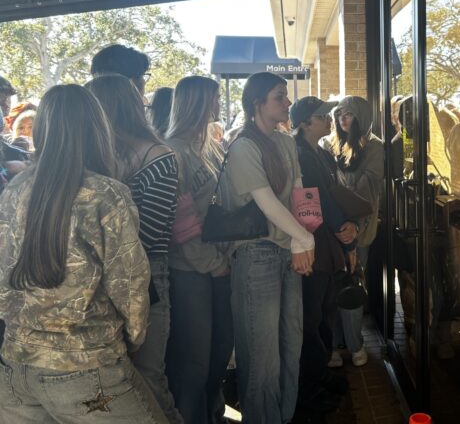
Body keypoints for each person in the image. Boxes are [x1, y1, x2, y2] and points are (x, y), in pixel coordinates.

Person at [0, 84, 165, 423]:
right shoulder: (106, 195)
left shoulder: (16, 189)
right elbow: (131, 286)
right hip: (86, 367)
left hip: (16, 366)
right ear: (97, 130)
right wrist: (131, 339)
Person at [86, 75, 183, 424]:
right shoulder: (101, 156)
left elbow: (151, 232)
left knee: (148, 379)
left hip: (147, 277)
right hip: (100, 280)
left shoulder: (158, 157)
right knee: (114, 382)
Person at [219, 72, 315, 424]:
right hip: (256, 253)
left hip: (289, 248)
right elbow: (266, 203)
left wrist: (307, 234)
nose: (287, 102)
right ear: (257, 101)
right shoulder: (243, 146)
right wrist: (304, 239)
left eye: (286, 96)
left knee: (292, 343)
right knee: (261, 355)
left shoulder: (287, 142)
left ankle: (284, 416)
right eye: (279, 96)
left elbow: (299, 192)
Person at [164, 76, 232, 424]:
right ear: (197, 103)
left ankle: (214, 414)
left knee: (219, 352)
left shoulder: (209, 147)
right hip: (190, 271)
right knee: (194, 362)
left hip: (217, 265)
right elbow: (180, 222)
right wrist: (212, 263)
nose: (218, 105)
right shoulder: (172, 151)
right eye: (214, 99)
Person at [290, 97, 357, 413]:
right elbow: (315, 201)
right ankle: (311, 387)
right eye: (321, 116)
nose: (329, 120)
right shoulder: (300, 154)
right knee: (312, 317)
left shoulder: (319, 151)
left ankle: (320, 376)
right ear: (304, 122)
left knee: (325, 308)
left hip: (326, 243)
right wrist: (344, 232)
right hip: (313, 245)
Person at [324, 96, 384, 368]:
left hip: (360, 226)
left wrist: (352, 219)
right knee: (332, 286)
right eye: (340, 114)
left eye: (349, 114)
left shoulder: (374, 147)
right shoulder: (330, 145)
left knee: (353, 283)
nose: (343, 119)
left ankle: (355, 344)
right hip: (332, 226)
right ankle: (335, 343)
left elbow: (369, 189)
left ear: (362, 116)